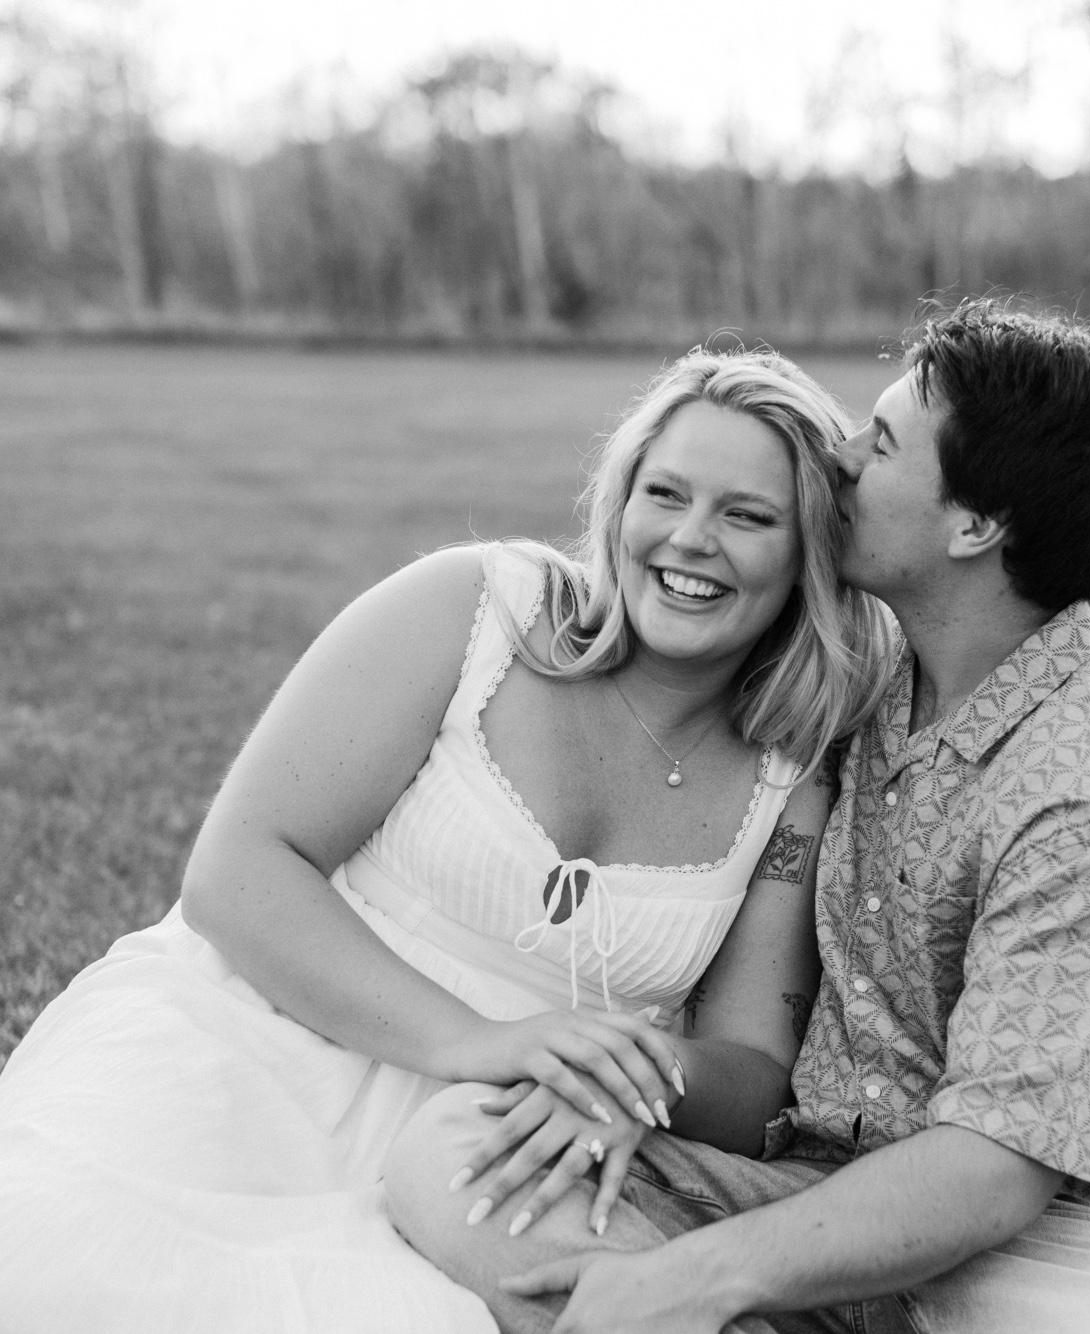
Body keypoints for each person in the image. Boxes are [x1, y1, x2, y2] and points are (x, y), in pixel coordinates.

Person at [383, 297, 1090, 1334]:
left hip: (1053, 1231)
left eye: (880, 444)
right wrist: (627, 1087)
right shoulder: (870, 684)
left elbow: (998, 1170)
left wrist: (701, 1277)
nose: (838, 458)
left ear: (973, 526)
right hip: (808, 1181)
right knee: (454, 1152)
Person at [0, 347, 896, 1333]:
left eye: (746, 516)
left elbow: (752, 1068)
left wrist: (638, 1082)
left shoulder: (789, 774)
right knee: (75, 1273)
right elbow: (239, 870)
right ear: (620, 502)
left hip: (498, 1147)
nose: (690, 539)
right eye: (666, 494)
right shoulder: (479, 610)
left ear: (808, 552)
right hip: (252, 1047)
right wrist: (476, 1041)